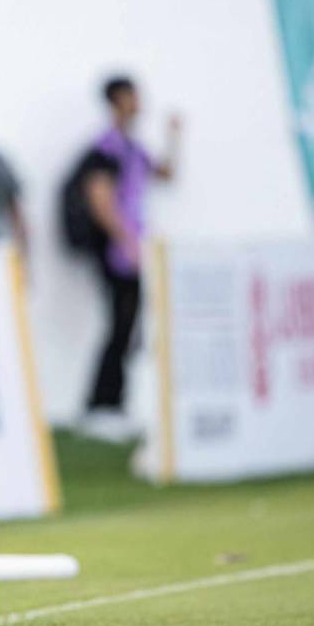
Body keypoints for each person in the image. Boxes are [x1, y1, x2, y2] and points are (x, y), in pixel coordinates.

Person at [81, 75, 180, 441]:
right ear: (117, 100)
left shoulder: (134, 147)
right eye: (131, 96)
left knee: (130, 327)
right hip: (119, 252)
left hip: (136, 249)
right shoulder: (106, 147)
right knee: (120, 325)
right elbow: (100, 197)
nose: (138, 101)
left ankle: (115, 403)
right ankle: (101, 405)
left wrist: (174, 138)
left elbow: (165, 173)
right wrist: (125, 242)